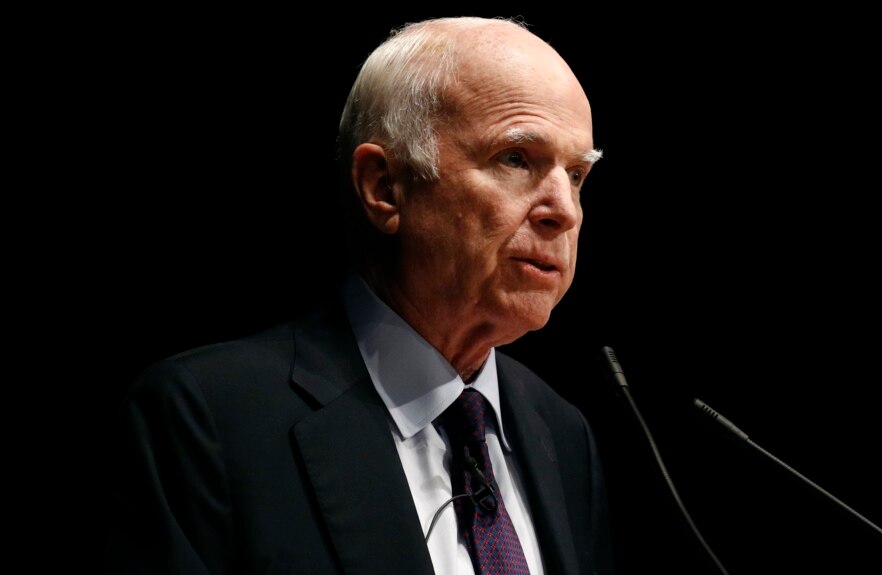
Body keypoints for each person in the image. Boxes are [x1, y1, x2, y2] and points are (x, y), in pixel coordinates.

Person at [106, 16, 612, 575]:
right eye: (516, 160)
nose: (563, 211)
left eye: (576, 176)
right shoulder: (204, 421)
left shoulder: (562, 435)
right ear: (384, 187)